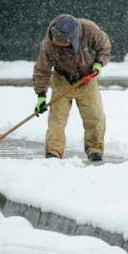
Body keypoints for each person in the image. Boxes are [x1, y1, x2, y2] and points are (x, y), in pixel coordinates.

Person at [32, 14, 111, 161]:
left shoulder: (90, 30)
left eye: (64, 42)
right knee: (57, 119)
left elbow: (104, 47)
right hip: (62, 79)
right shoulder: (49, 43)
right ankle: (53, 152)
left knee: (95, 117)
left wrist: (99, 63)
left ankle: (95, 149)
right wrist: (41, 95)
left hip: (87, 77)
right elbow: (42, 69)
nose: (59, 43)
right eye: (57, 41)